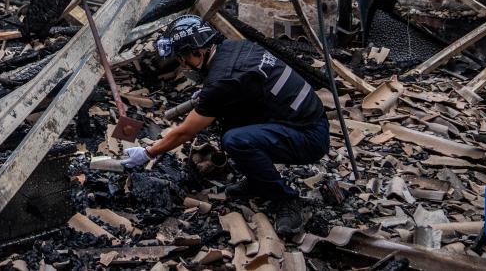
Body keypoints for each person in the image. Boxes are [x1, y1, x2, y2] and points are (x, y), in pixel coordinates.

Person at [120, 15, 329, 236]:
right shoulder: (233, 47)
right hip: (305, 119)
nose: (182, 63)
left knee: (235, 140)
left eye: (183, 57)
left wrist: (148, 153)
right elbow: (243, 84)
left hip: (309, 137)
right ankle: (258, 180)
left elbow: (186, 132)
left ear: (198, 51)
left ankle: (285, 199)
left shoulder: (222, 81)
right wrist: (212, 95)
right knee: (228, 124)